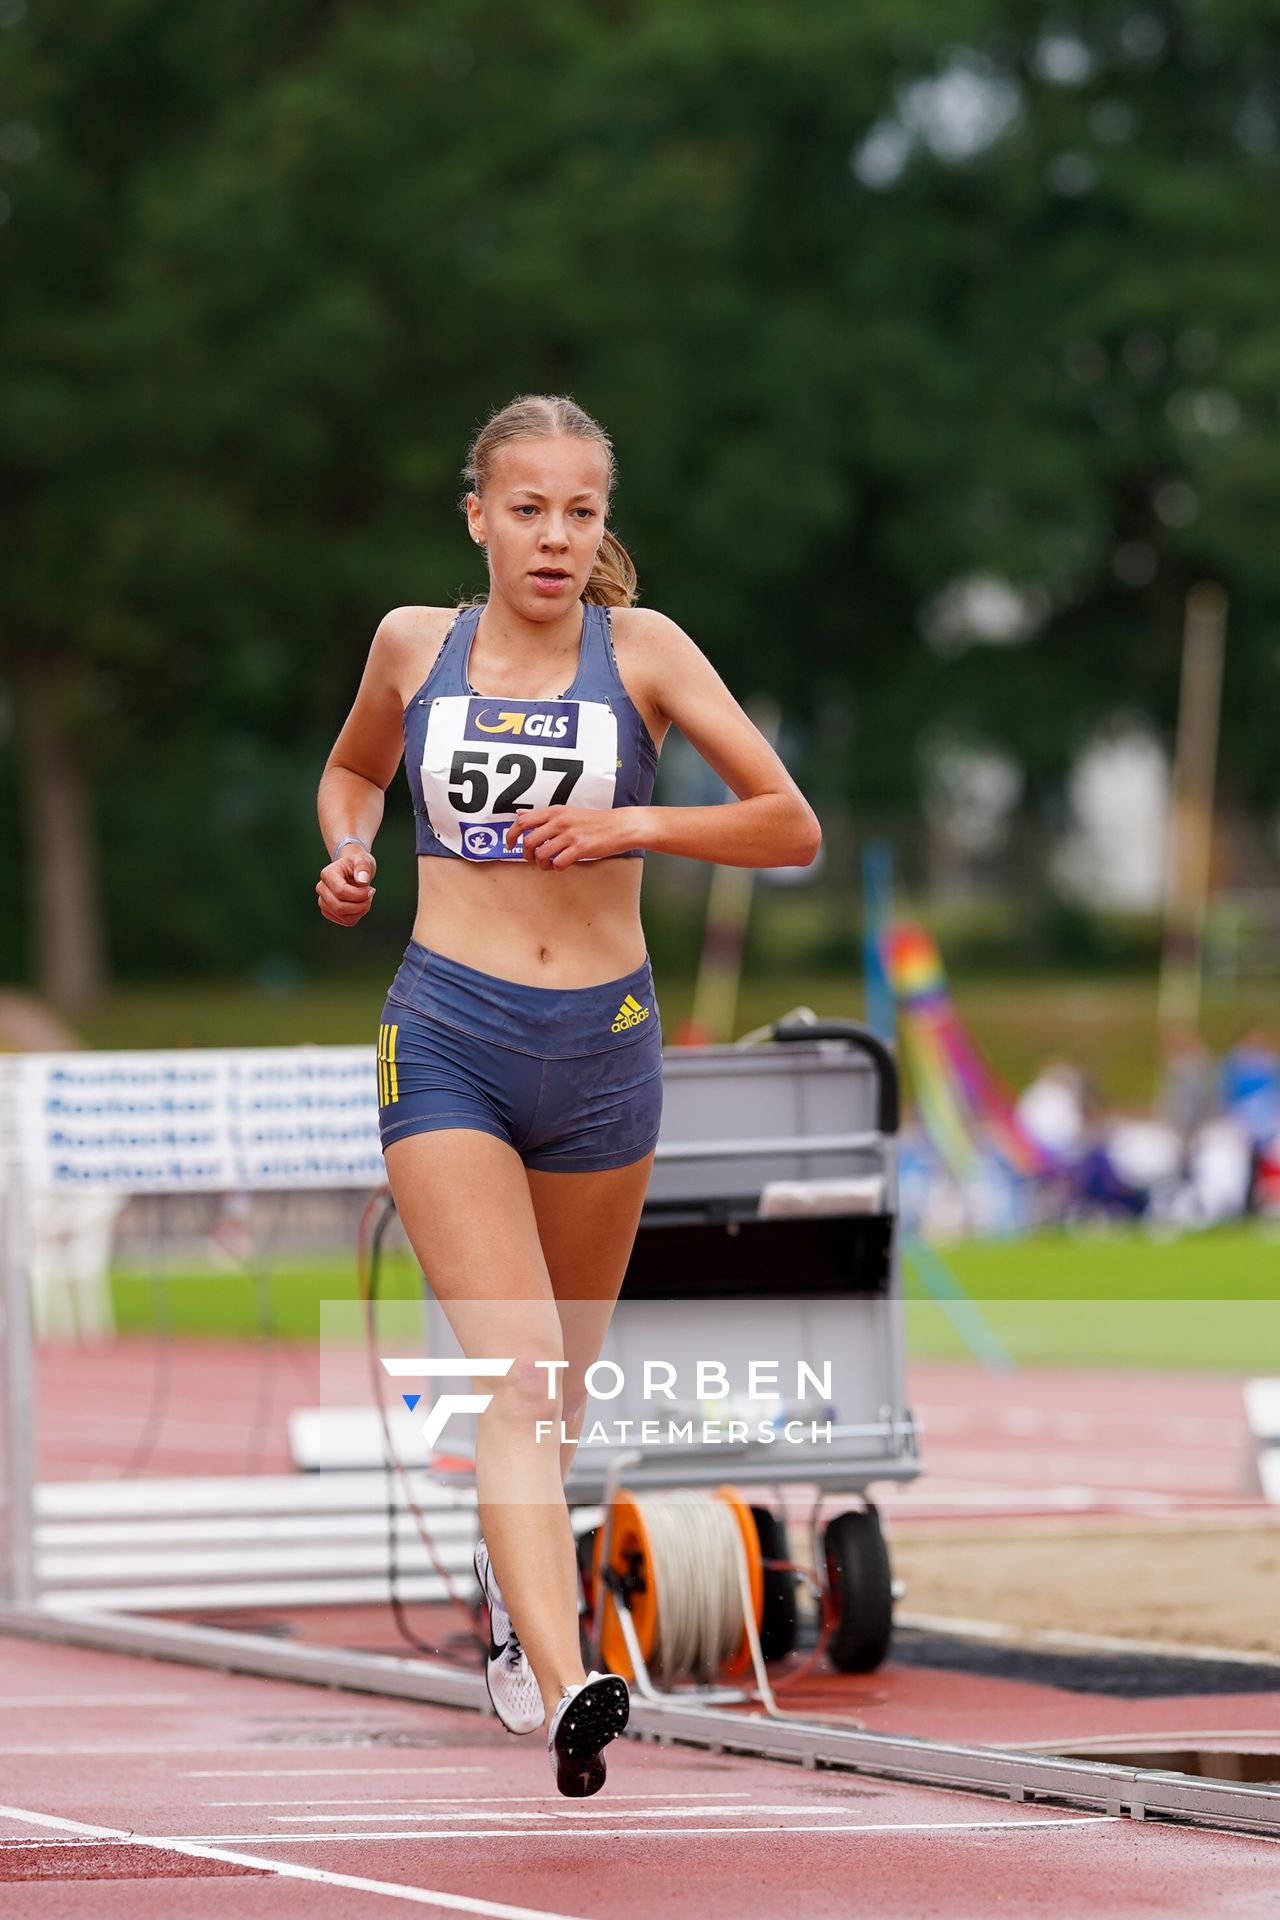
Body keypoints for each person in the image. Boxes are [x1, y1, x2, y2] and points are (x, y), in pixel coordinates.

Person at [315, 393, 820, 1797]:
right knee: (518, 1379)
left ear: (604, 525)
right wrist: (351, 849)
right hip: (450, 1033)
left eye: (580, 511)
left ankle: (508, 1582)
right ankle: (563, 1669)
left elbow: (790, 824)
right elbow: (355, 769)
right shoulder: (416, 643)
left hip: (604, 1046)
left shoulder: (643, 652)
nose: (553, 535)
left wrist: (632, 821)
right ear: (476, 514)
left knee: (560, 1394)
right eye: (526, 507)